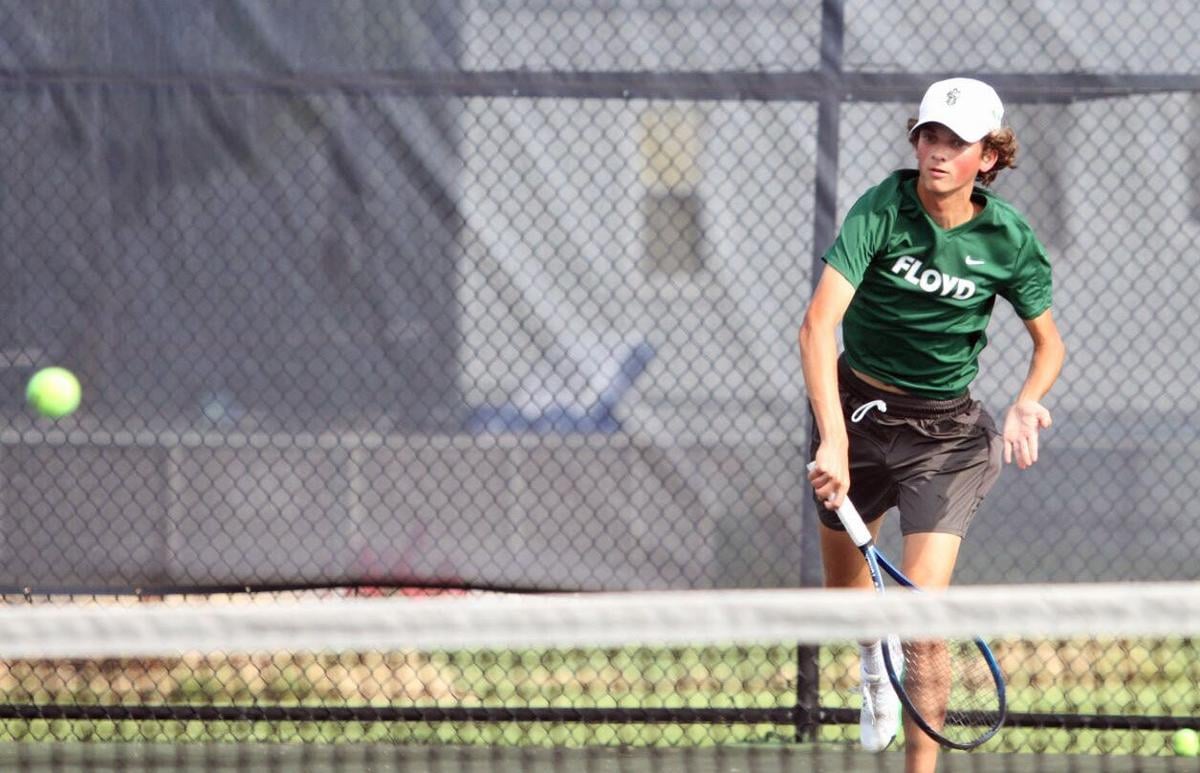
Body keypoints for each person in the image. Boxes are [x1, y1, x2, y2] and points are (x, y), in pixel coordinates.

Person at [797, 77, 1065, 773]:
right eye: (930, 136)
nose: (939, 152)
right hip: (854, 412)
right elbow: (817, 325)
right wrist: (832, 436)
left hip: (946, 441)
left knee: (923, 614)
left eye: (957, 142)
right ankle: (870, 665)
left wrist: (1027, 397)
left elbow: (1049, 343)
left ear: (989, 159)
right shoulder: (882, 208)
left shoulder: (1007, 239)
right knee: (847, 600)